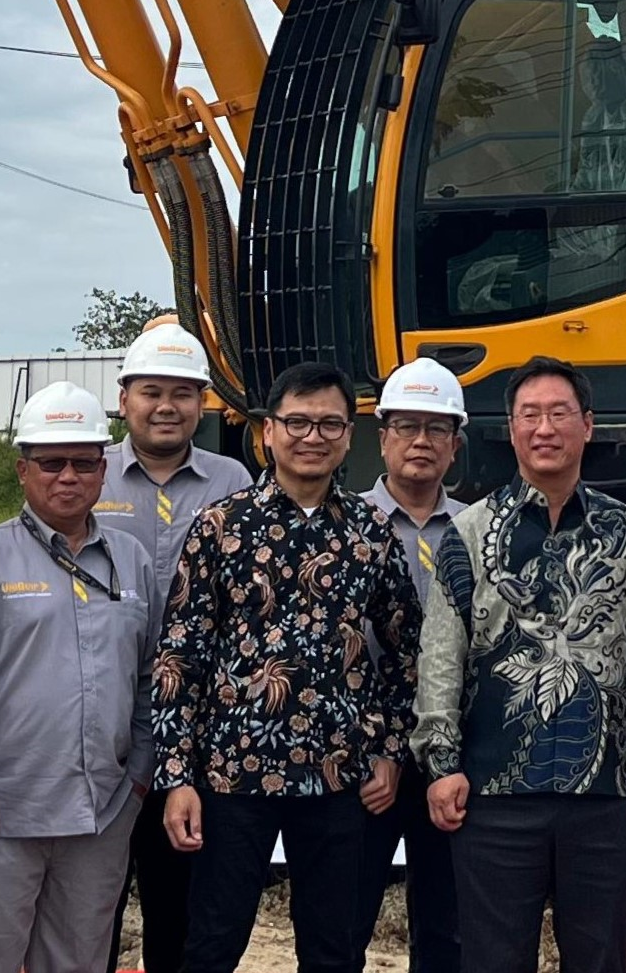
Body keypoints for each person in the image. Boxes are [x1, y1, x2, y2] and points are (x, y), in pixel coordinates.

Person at [149, 361, 423, 973]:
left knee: (333, 948)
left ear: (350, 435)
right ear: (267, 432)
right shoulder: (221, 527)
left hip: (338, 776)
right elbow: (179, 657)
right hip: (230, 776)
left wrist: (389, 746)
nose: (312, 437)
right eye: (297, 422)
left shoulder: (369, 532)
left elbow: (408, 648)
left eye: (330, 424)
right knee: (213, 941)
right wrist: (177, 777)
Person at [415, 358, 626, 973]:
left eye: (559, 413)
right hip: (492, 797)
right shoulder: (467, 531)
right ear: (510, 430)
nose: (544, 428)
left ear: (588, 426)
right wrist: (441, 764)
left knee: (599, 959)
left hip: (605, 795)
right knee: (492, 960)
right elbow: (440, 658)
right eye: (529, 415)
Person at [0, 384, 167, 973]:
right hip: (2, 815)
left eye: (85, 462)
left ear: (102, 467)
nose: (69, 477)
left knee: (78, 962)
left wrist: (138, 778)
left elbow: (150, 676)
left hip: (101, 815)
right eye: (51, 462)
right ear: (22, 469)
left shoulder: (131, 560)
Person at [101, 316, 253, 973]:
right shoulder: (89, 473)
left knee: (180, 897)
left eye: (184, 392)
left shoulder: (234, 482)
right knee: (89, 900)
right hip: (102, 713)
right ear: (123, 396)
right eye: (151, 390)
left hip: (197, 723)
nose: (167, 405)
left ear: (203, 402)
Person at [366, 356, 473, 973]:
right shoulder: (346, 523)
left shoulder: (478, 529)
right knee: (342, 925)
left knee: (448, 929)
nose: (421, 441)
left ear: (455, 445)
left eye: (437, 429)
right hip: (366, 767)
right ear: (382, 437)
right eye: (407, 426)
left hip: (451, 761)